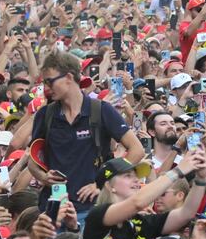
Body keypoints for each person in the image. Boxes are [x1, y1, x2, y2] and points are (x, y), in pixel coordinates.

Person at [29, 50, 145, 218]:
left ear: (69, 78)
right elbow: (33, 162)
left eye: (50, 82)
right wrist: (43, 177)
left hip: (92, 210)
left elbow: (137, 150)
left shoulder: (100, 110)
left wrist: (102, 182)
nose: (46, 89)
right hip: (53, 211)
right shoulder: (45, 115)